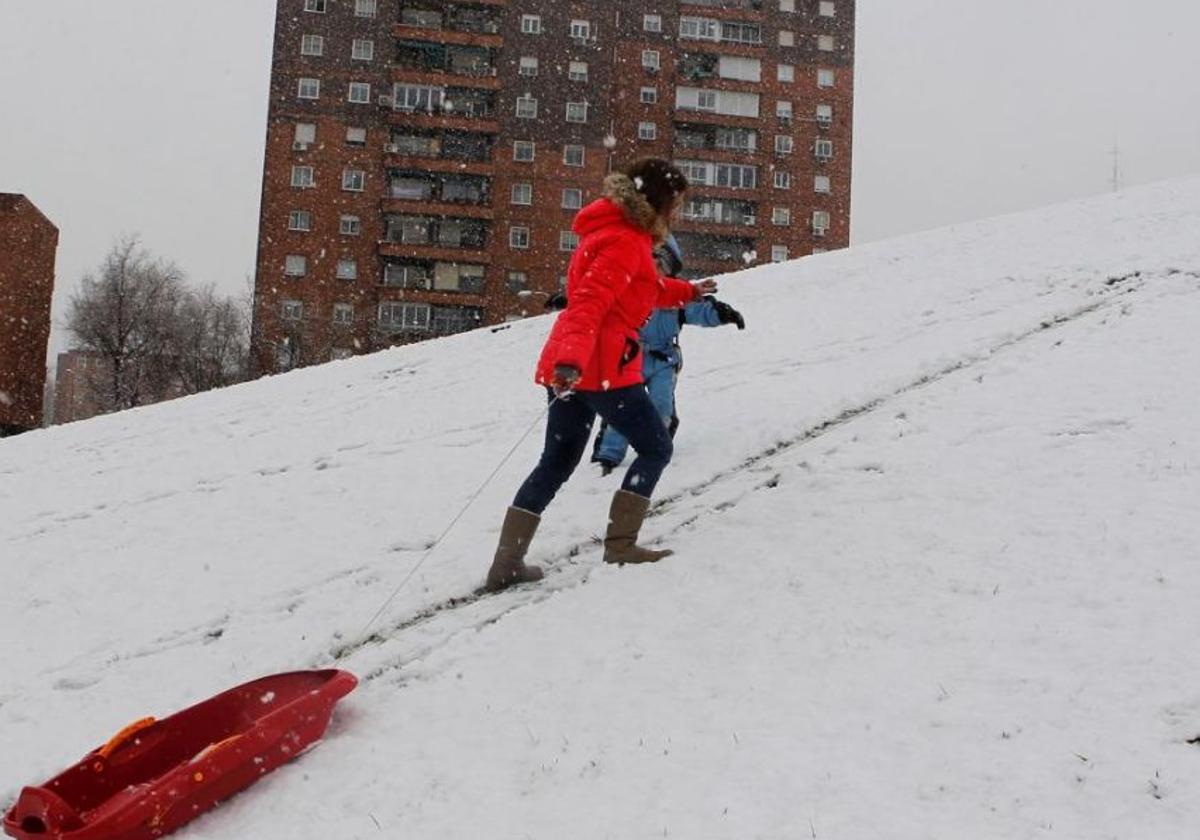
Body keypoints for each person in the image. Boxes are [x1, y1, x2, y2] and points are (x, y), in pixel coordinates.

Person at [485, 158, 717, 592]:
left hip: (575, 365)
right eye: (677, 204)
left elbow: (643, 286)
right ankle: (621, 545)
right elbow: (588, 302)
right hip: (599, 365)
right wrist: (573, 362)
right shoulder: (627, 242)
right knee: (655, 447)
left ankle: (507, 563)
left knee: (556, 462)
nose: (678, 214)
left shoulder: (610, 232)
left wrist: (689, 291)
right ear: (660, 201)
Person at [591, 234, 745, 474]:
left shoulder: (677, 295)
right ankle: (609, 454)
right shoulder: (629, 289)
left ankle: (655, 445)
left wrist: (723, 314)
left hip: (664, 359)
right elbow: (597, 300)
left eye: (662, 265)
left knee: (661, 404)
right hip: (629, 358)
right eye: (650, 263)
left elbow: (700, 310)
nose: (656, 270)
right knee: (623, 407)